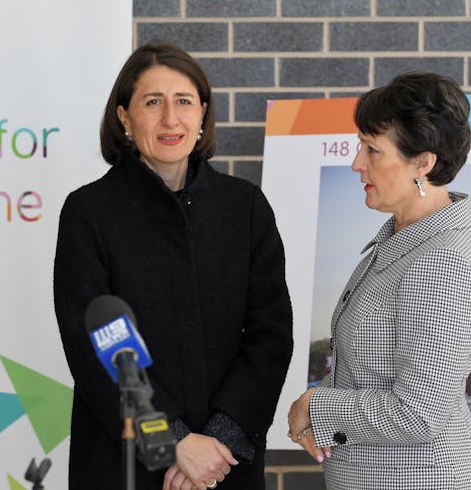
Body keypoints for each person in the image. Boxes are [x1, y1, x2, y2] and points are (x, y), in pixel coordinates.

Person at [53, 40, 293, 490]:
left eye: (184, 102)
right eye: (152, 102)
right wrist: (174, 440)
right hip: (123, 463)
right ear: (124, 116)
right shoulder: (89, 212)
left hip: (227, 464)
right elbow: (98, 343)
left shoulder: (245, 207)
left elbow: (271, 333)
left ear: (202, 112)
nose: (170, 119)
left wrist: (217, 441)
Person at [288, 71, 471, 489]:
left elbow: (418, 414)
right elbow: (363, 370)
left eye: (372, 150)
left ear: (423, 163)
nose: (356, 163)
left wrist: (316, 406)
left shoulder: (441, 261)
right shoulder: (402, 239)